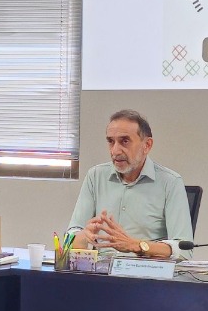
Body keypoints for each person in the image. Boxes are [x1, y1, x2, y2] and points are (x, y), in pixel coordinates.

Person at [65, 110, 191, 258]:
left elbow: (183, 250)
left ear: (147, 145)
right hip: (101, 274)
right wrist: (84, 236)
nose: (115, 150)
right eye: (111, 141)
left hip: (145, 274)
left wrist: (136, 246)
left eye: (124, 141)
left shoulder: (170, 182)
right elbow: (70, 237)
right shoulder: (95, 176)